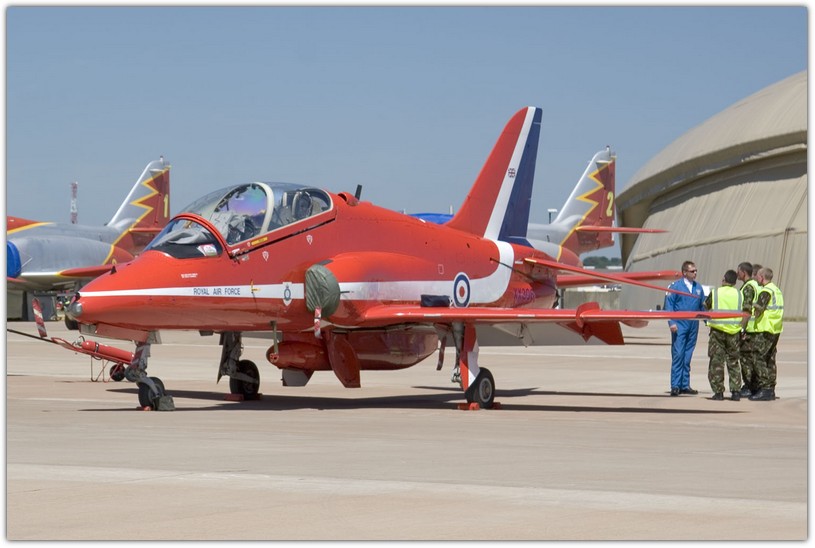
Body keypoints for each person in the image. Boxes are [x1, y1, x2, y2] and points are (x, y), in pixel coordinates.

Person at [664, 260, 706, 396]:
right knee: (678, 354)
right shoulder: (675, 287)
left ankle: (685, 384)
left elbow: (702, 307)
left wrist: (708, 322)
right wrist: (671, 322)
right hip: (680, 324)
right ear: (684, 272)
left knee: (688, 355)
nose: (695, 273)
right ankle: (675, 385)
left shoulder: (698, 288)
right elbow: (669, 306)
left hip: (693, 324)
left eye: (696, 270)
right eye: (692, 271)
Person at [704, 270, 743, 401]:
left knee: (716, 362)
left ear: (724, 279)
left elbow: (705, 306)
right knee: (733, 362)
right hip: (734, 332)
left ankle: (718, 392)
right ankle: (736, 392)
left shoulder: (716, 292)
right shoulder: (739, 294)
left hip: (717, 331)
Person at [749, 267, 784, 401]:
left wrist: (752, 306)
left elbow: (758, 310)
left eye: (757, 276)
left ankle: (765, 388)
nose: (756, 278)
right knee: (769, 358)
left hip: (765, 329)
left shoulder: (766, 291)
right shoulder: (776, 290)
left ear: (761, 277)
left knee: (758, 357)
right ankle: (770, 388)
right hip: (775, 328)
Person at [736, 262, 761, 397]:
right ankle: (754, 385)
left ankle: (748, 386)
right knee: (753, 359)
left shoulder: (748, 287)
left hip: (749, 329)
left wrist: (742, 329)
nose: (737, 274)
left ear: (743, 272)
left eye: (738, 271)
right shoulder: (756, 285)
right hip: (755, 328)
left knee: (746, 359)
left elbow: (746, 310)